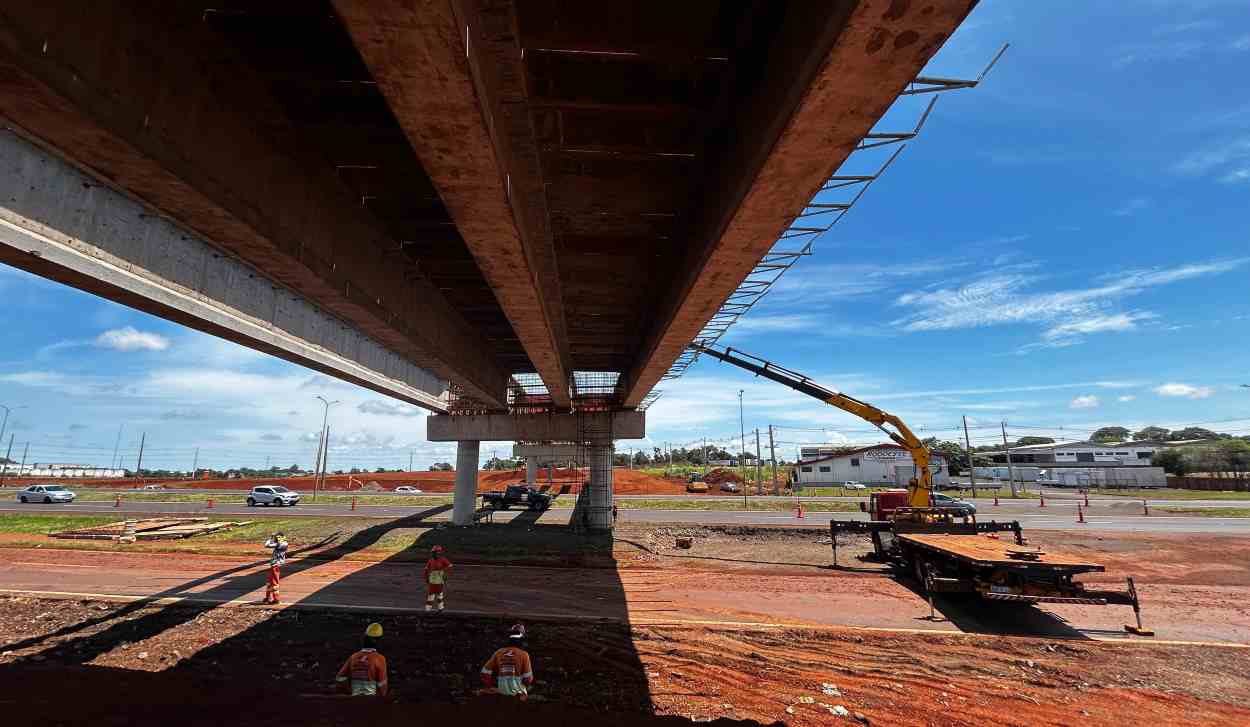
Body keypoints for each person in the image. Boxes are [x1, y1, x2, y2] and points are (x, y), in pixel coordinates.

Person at [479, 623, 534, 699]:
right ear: (522, 639)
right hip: (517, 691)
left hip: (501, 689)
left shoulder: (499, 652)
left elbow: (484, 673)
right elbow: (528, 678)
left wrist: (490, 686)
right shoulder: (524, 654)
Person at [336, 622, 389, 697]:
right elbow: (382, 686)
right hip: (371, 701)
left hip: (354, 699)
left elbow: (340, 678)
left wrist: (349, 691)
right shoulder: (379, 658)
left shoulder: (353, 657)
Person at [423, 545, 452, 612]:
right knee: (431, 594)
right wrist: (426, 577)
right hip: (432, 579)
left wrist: (444, 573)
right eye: (433, 552)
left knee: (439, 594)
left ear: (439, 552)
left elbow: (450, 566)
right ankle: (428, 609)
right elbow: (426, 569)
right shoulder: (431, 560)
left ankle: (440, 608)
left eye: (435, 552)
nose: (434, 554)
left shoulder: (443, 559)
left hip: (439, 579)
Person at [263, 532, 288, 605]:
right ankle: (267, 598)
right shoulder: (283, 543)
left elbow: (267, 545)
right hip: (275, 565)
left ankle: (276, 599)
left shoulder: (282, 544)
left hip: (275, 565)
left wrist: (271, 538)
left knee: (274, 582)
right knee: (270, 582)